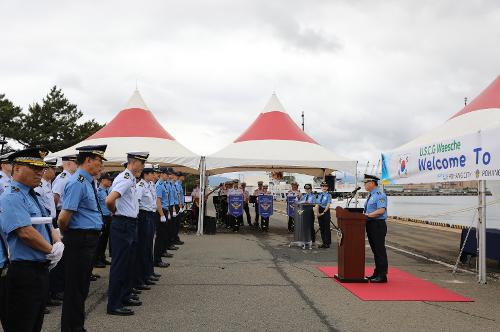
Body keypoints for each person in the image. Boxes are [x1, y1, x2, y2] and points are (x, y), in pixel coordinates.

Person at [0, 147, 63, 332]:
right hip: (21, 272)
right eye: (33, 167)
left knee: (34, 324)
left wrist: (58, 243)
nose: (39, 172)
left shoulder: (32, 195)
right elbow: (25, 232)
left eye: (41, 168)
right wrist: (51, 250)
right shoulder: (11, 197)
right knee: (21, 325)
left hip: (39, 270)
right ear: (17, 168)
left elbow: (48, 224)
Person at [57, 145, 107, 331]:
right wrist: (73, 235)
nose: (101, 166)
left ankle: (76, 326)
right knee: (75, 289)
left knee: (81, 287)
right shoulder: (78, 181)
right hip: (79, 240)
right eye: (99, 161)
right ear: (88, 160)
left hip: (87, 239)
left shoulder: (87, 181)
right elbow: (63, 218)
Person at [106, 152, 148, 316]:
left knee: (129, 263)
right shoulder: (125, 178)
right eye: (142, 164)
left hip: (129, 223)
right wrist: (114, 211)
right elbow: (110, 200)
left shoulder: (130, 178)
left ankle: (124, 295)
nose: (143, 168)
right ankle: (114, 304)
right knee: (120, 265)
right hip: (123, 223)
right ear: (134, 162)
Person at [33, 158, 61, 307]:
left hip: (50, 222)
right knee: (47, 259)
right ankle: (44, 298)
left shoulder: (48, 184)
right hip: (43, 223)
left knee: (53, 260)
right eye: (52, 168)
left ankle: (49, 294)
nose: (54, 171)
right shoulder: (38, 186)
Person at [135, 164, 159, 290]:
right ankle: (141, 277)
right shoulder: (140, 186)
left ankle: (148, 273)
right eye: (152, 173)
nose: (155, 175)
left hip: (150, 215)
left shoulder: (149, 185)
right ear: (147, 174)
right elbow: (137, 203)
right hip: (143, 216)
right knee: (143, 248)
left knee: (148, 246)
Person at [363, 174, 389, 283]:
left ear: (372, 183)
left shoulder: (379, 194)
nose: (364, 185)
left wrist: (367, 216)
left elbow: (381, 211)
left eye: (366, 183)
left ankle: (382, 275)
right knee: (375, 250)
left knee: (379, 250)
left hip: (377, 225)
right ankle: (377, 273)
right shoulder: (371, 195)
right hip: (371, 224)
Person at [153, 167, 172, 269]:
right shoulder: (159, 186)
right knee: (160, 237)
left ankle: (159, 257)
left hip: (165, 210)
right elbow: (158, 201)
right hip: (160, 211)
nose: (168, 176)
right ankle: (157, 260)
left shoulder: (164, 184)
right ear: (162, 174)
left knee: (163, 235)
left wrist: (167, 212)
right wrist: (162, 215)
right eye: (166, 174)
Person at [94, 172, 113, 268]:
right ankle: (96, 260)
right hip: (102, 217)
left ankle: (102, 257)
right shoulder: (98, 191)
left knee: (105, 239)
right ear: (102, 180)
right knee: (100, 240)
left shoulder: (108, 191)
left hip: (109, 217)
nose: (110, 181)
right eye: (108, 180)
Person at [52, 155, 77, 220]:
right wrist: (54, 212)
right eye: (76, 163)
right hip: (61, 212)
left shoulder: (69, 177)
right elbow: (56, 196)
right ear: (69, 163)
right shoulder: (63, 178)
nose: (77, 165)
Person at [315, 181, 332, 249]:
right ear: (321, 187)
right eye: (323, 186)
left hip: (326, 211)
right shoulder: (319, 195)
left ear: (327, 187)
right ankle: (324, 242)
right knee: (321, 228)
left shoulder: (328, 195)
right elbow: (317, 204)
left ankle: (327, 243)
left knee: (326, 228)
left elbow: (328, 204)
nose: (324, 187)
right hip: (320, 210)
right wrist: (317, 213)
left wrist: (324, 213)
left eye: (325, 186)